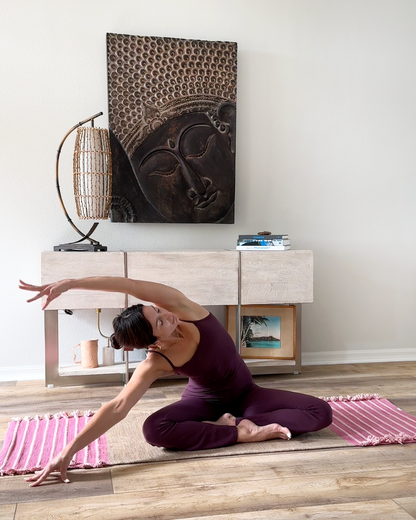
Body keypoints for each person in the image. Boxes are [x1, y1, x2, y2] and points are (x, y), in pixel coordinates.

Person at [19, 276, 332, 487]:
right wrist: (68, 451)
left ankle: (230, 422)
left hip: (247, 394)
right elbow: (117, 407)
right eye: (159, 321)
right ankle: (237, 432)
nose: (167, 315)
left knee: (321, 413)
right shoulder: (156, 361)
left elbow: (125, 282)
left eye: (157, 309)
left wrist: (71, 283)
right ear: (154, 342)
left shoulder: (182, 308)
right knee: (153, 429)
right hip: (203, 402)